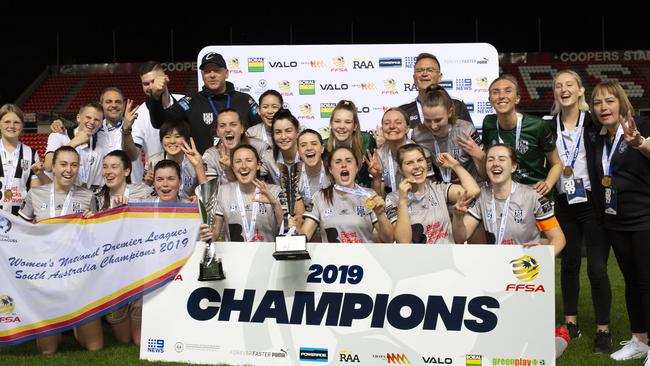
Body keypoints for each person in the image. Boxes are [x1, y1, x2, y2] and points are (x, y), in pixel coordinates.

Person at [585, 81, 650, 363]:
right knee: (632, 282)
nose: (603, 107)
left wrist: (641, 143)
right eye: (598, 102)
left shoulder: (642, 124)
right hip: (616, 221)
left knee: (647, 282)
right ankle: (640, 340)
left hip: (644, 218)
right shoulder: (600, 136)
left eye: (609, 101)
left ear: (621, 102)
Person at [549, 70, 612, 352]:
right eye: (559, 86)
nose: (564, 89)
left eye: (569, 85)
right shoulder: (549, 126)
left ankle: (603, 329)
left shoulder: (594, 121)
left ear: (580, 90)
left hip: (591, 202)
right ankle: (570, 323)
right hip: (563, 202)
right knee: (570, 264)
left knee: (597, 268)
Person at [18, 146, 100, 354]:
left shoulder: (88, 196)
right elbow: (20, 233)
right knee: (47, 351)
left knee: (94, 347)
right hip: (47, 276)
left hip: (78, 275)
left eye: (74, 165)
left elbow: (96, 242)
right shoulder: (35, 194)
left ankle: (75, 326)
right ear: (53, 167)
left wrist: (92, 227)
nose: (68, 170)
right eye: (63, 164)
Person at [451, 144, 565, 256]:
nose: (495, 163)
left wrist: (542, 256)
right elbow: (461, 237)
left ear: (513, 167)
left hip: (525, 265)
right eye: (490, 160)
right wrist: (457, 217)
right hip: (496, 264)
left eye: (502, 159)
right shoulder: (482, 197)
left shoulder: (533, 197)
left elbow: (558, 238)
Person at [147, 52, 261, 154]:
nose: (212, 75)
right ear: (202, 75)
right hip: (203, 170)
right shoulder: (191, 101)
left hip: (240, 168)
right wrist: (155, 96)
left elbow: (263, 129)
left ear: (226, 73)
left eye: (216, 70)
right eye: (207, 71)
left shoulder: (245, 100)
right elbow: (159, 122)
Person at [482, 75, 562, 196]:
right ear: (490, 100)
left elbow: (557, 164)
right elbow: (488, 160)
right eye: (495, 92)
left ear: (517, 98)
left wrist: (547, 184)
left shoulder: (538, 125)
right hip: (506, 194)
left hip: (535, 193)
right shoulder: (488, 123)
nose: (501, 96)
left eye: (508, 91)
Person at [295, 146, 393, 243]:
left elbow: (388, 239)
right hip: (332, 258)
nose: (343, 165)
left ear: (356, 167)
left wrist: (380, 214)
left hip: (363, 257)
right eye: (338, 162)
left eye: (349, 161)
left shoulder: (369, 195)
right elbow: (305, 234)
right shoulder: (320, 197)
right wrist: (296, 230)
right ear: (330, 170)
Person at [386, 144, 479, 244]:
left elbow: (473, 191)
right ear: (400, 169)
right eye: (409, 163)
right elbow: (403, 241)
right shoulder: (393, 198)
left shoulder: (438, 188)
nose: (417, 166)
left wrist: (455, 165)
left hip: (447, 255)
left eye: (420, 160)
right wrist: (403, 201)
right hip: (418, 258)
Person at [211, 144, 284, 242]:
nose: (243, 166)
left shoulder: (275, 191)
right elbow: (215, 234)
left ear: (258, 165)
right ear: (232, 167)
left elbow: (287, 230)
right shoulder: (223, 191)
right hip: (234, 255)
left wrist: (275, 204)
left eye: (249, 161)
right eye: (238, 162)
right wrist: (206, 234)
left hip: (266, 255)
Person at [412, 85, 483, 182]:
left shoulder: (465, 130)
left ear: (449, 112)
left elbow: (483, 171)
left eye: (438, 120)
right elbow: (425, 175)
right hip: (439, 191)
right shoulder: (418, 135)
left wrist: (480, 155)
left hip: (471, 188)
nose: (433, 126)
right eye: (428, 120)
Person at [366, 107, 435, 197]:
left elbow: (429, 188)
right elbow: (378, 197)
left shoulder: (421, 153)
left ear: (407, 128)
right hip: (391, 204)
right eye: (387, 123)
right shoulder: (379, 154)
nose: (392, 126)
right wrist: (376, 178)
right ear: (382, 128)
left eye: (398, 122)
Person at [125, 61, 185, 163]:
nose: (151, 86)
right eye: (146, 84)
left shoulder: (184, 102)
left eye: (154, 81)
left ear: (166, 78)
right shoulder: (138, 115)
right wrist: (126, 131)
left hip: (189, 174)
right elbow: (132, 157)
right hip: (158, 176)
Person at [399, 52, 472, 128]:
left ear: (439, 77)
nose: (424, 74)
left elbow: (471, 137)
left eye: (430, 70)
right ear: (414, 77)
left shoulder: (457, 105)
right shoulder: (403, 110)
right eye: (419, 70)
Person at [44, 102, 106, 189]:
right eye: (88, 117)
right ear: (78, 118)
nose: (92, 122)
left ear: (101, 124)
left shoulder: (101, 143)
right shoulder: (58, 135)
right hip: (59, 196)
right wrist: (74, 142)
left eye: (97, 120)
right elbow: (48, 166)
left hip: (85, 197)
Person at [0, 104, 48, 215]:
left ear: (22, 125)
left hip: (21, 216)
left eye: (16, 122)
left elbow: (34, 189)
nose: (11, 126)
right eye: (7, 122)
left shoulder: (31, 153)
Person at [202, 109, 271, 184]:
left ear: (242, 128)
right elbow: (210, 193)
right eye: (222, 126)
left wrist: (229, 170)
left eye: (233, 124)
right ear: (217, 132)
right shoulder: (211, 155)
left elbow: (269, 183)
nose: (228, 129)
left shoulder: (260, 148)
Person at [145, 121, 206, 199]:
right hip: (162, 208)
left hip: (189, 208)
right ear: (161, 141)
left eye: (177, 136)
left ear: (186, 140)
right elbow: (145, 196)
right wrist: (147, 184)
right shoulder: (152, 162)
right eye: (167, 137)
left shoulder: (197, 160)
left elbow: (207, 195)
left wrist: (198, 166)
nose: (172, 141)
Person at [324, 100, 376, 188]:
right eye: (337, 121)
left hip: (363, 196)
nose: (341, 126)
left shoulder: (367, 141)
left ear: (355, 126)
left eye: (347, 122)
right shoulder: (323, 147)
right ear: (331, 124)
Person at [293, 129, 332, 238]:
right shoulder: (294, 174)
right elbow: (301, 216)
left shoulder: (332, 170)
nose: (309, 148)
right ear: (298, 151)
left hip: (332, 221)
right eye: (303, 145)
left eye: (314, 144)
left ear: (322, 148)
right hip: (308, 225)